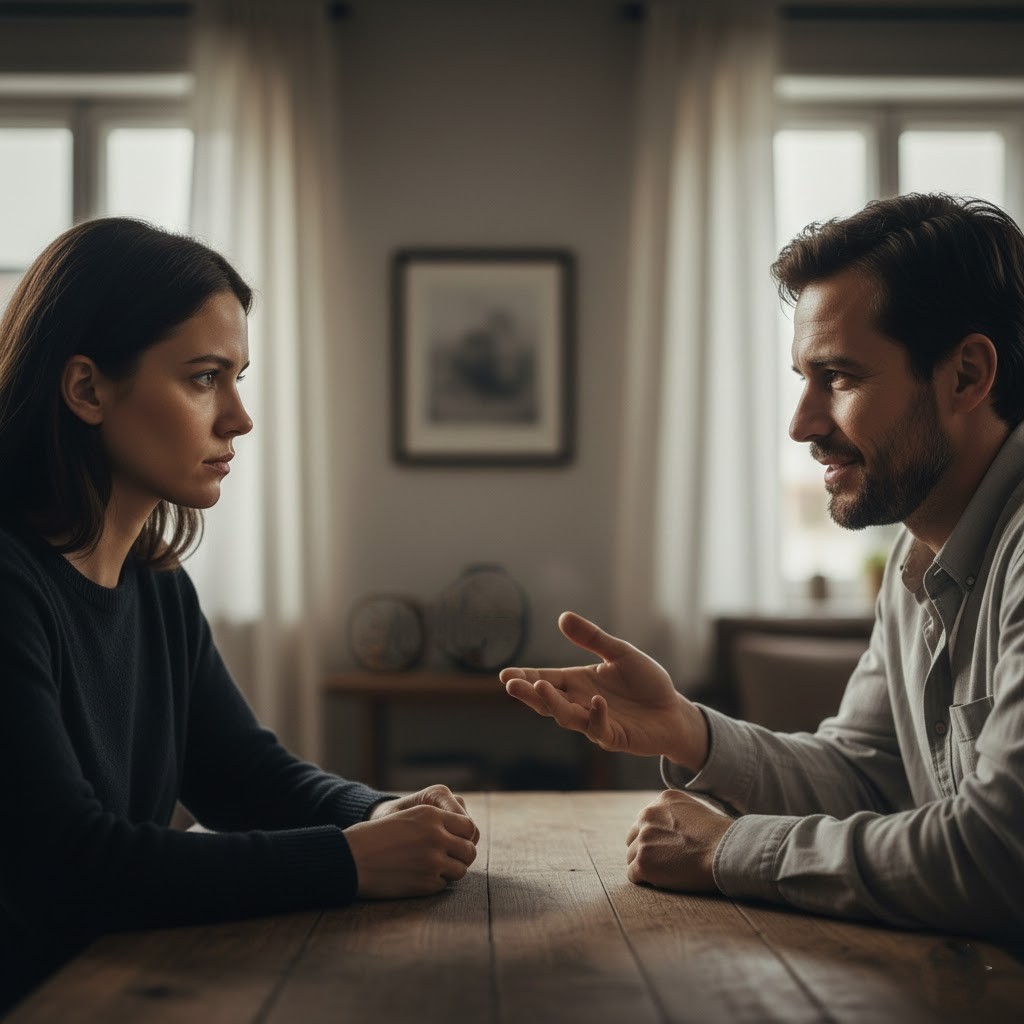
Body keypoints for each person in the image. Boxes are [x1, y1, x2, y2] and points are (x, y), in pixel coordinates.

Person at [501, 193, 1024, 941]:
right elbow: (865, 779)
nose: (802, 424)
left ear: (968, 375)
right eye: (801, 378)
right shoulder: (919, 559)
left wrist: (727, 852)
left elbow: (999, 857)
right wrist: (687, 731)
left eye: (838, 378)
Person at [0, 218, 479, 1012]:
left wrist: (379, 812)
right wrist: (349, 860)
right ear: (87, 388)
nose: (238, 418)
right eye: (201, 378)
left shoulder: (155, 584)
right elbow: (69, 868)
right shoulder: (10, 585)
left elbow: (241, 774)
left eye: (238, 378)